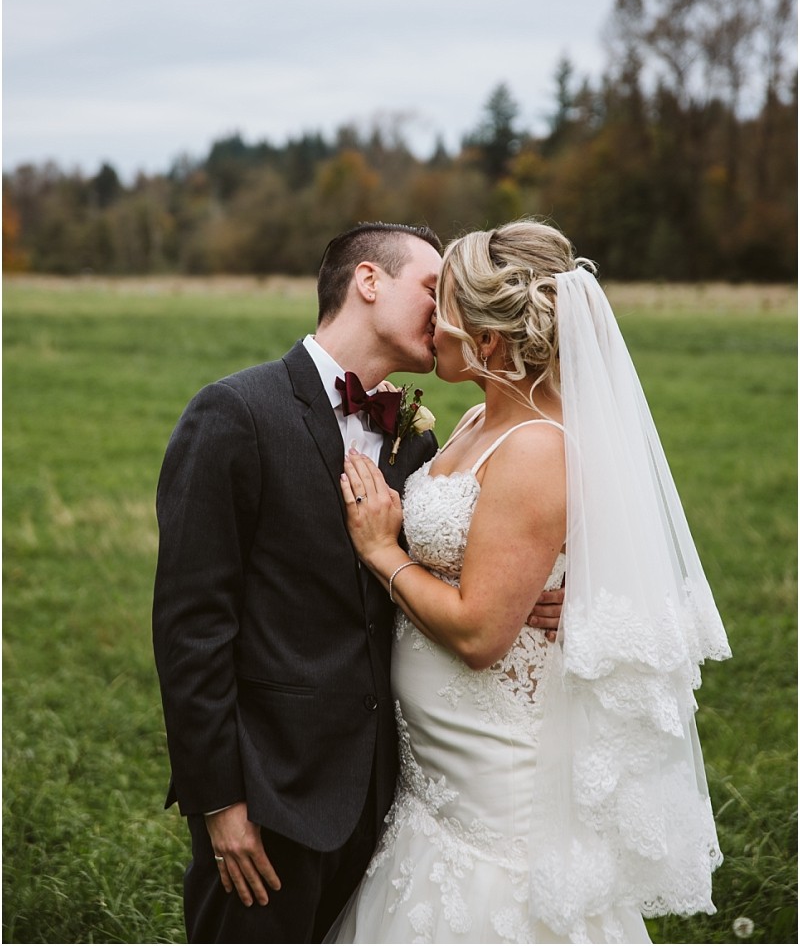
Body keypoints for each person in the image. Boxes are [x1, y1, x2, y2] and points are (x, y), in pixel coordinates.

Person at [152, 220, 563, 945]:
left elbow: (456, 563)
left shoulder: (422, 438)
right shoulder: (236, 414)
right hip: (271, 797)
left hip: (393, 798)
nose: (445, 311)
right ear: (368, 281)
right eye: (433, 289)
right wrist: (219, 803)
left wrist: (533, 597)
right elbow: (192, 628)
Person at [331, 219, 731, 944]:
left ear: (486, 339)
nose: (430, 322)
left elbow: (480, 634)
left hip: (492, 780)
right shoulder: (477, 419)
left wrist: (383, 552)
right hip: (436, 776)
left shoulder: (537, 448)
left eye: (443, 307)